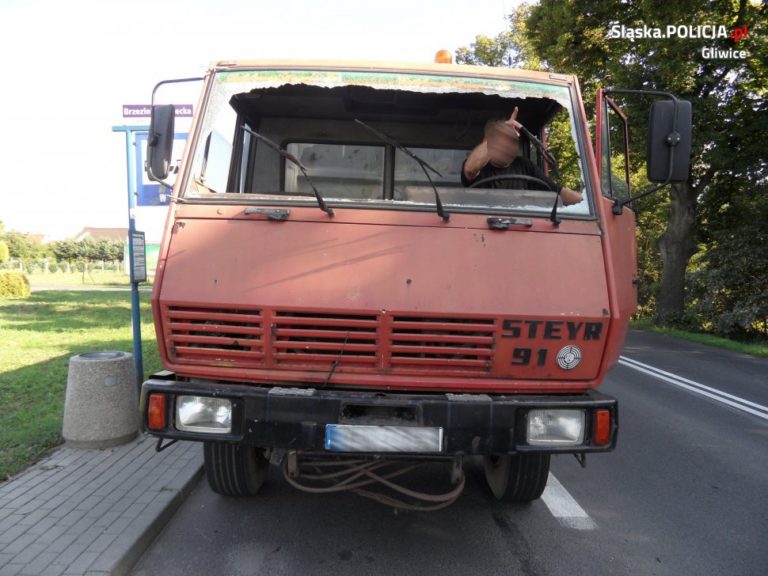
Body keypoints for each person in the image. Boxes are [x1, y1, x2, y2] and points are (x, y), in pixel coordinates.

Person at [461, 107, 583, 206]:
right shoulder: (477, 167)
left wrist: (586, 205)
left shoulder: (525, 165)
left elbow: (558, 192)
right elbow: (470, 170)